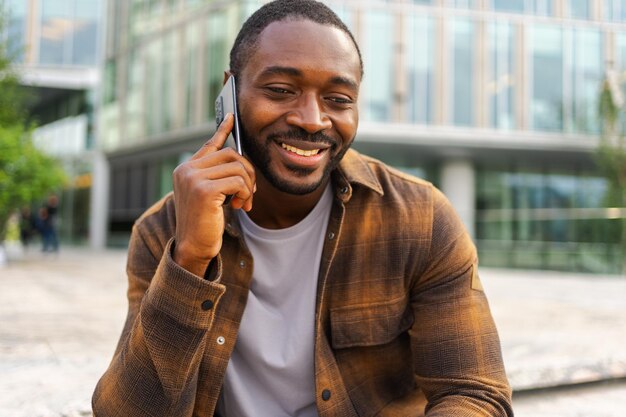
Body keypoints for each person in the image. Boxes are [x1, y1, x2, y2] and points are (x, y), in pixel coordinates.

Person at [92, 1, 513, 416]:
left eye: (338, 98)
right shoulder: (162, 230)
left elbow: (476, 394)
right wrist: (189, 260)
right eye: (280, 90)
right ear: (230, 92)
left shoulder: (420, 218)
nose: (313, 120)